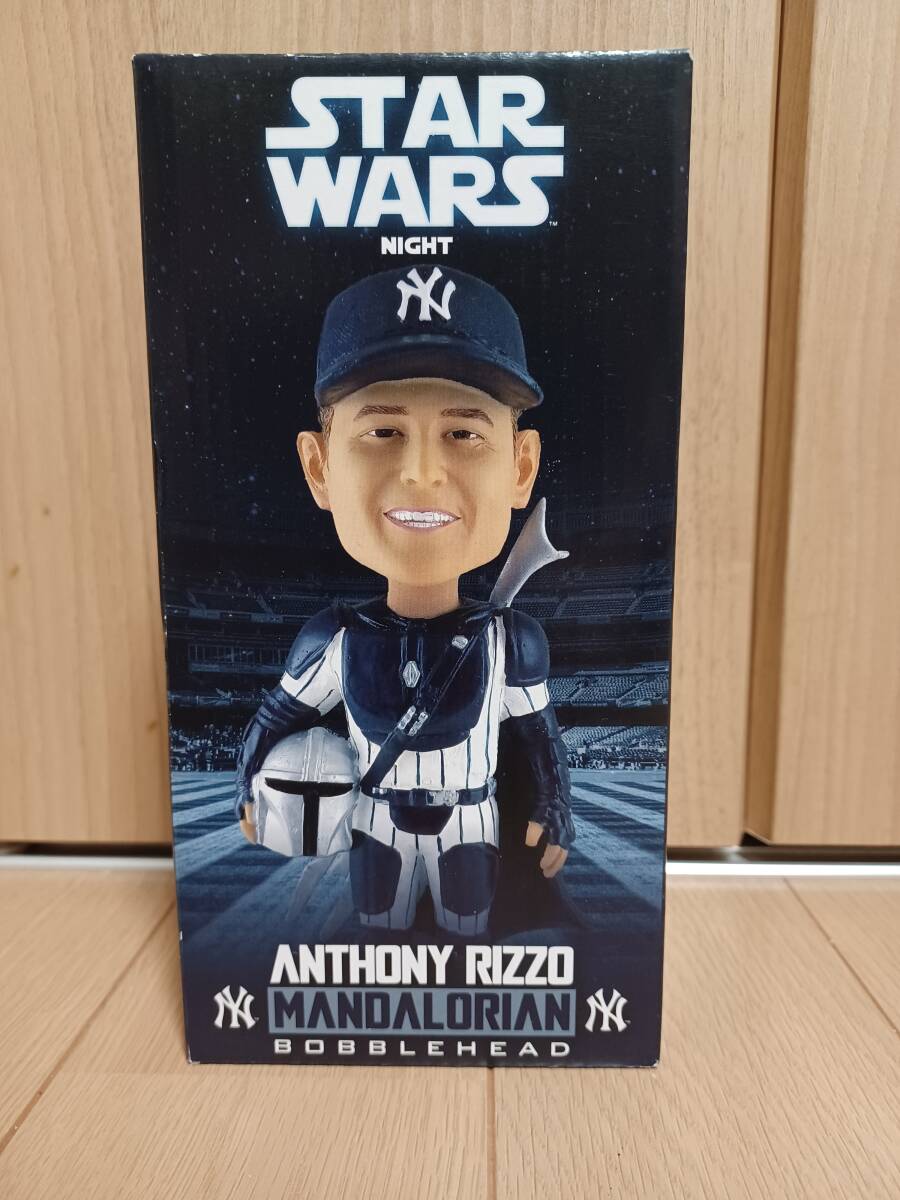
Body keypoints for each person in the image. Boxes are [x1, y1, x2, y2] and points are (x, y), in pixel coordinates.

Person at [235, 264, 574, 935]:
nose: (421, 472)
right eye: (384, 431)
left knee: (467, 939)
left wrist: (555, 805)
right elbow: (274, 719)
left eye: (463, 433)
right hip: (376, 819)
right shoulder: (335, 637)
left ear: (521, 466)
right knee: (378, 938)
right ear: (319, 467)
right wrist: (248, 784)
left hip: (470, 818)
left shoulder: (512, 641)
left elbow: (542, 742)